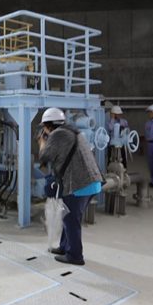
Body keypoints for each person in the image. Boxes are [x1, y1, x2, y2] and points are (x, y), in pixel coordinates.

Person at [38, 107, 104, 266]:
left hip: (79, 184)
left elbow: (44, 156)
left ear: (48, 125)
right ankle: (64, 247)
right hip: (92, 182)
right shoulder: (73, 131)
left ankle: (75, 256)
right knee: (68, 215)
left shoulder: (57, 134)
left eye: (44, 126)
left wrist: (42, 141)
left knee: (70, 220)